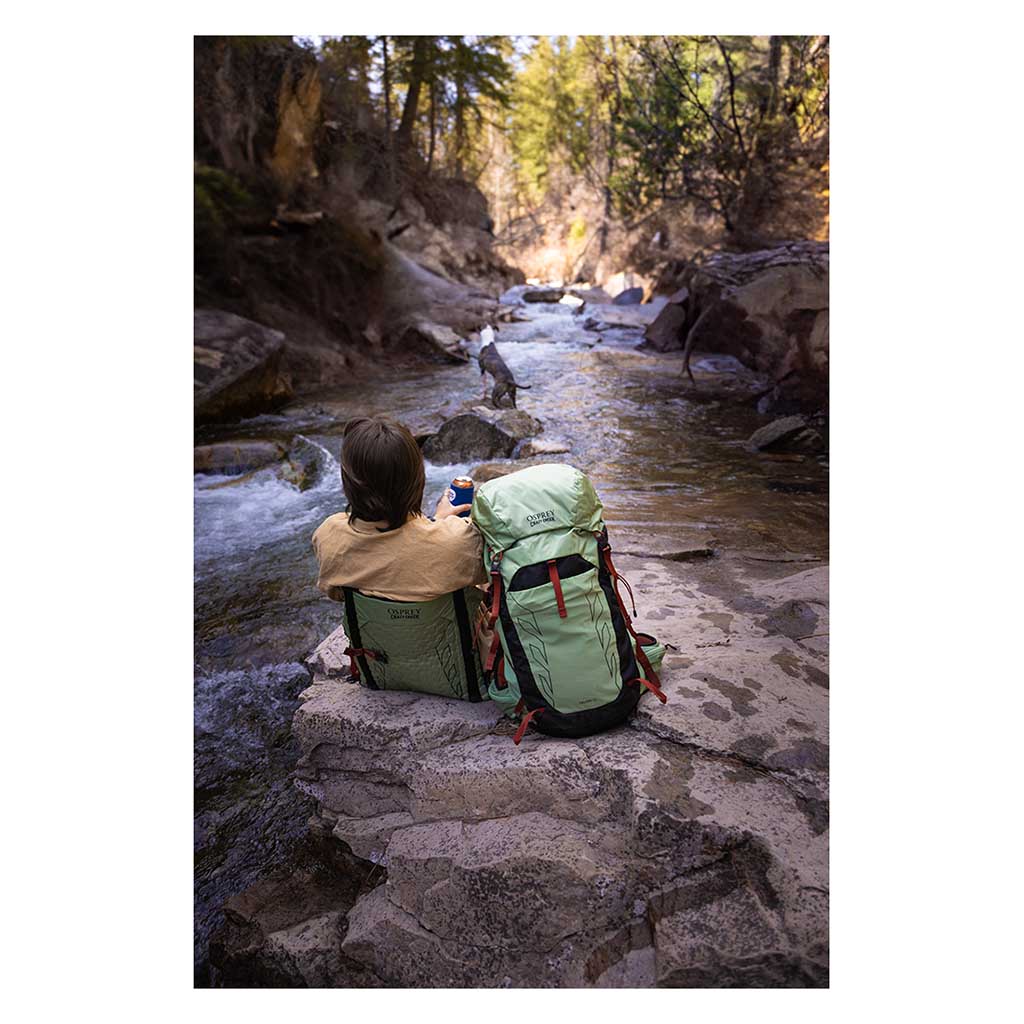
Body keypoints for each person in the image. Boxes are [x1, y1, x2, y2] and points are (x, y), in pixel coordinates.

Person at [312, 416, 488, 604]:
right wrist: (440, 525)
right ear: (418, 478)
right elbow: (488, 576)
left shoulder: (328, 535)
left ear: (348, 484)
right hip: (449, 623)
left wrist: (436, 521)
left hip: (370, 624)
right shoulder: (460, 540)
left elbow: (336, 593)